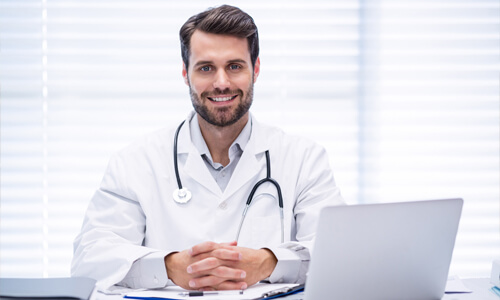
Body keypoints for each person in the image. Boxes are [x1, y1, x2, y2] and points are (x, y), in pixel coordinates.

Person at [71, 4, 344, 292]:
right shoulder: (135, 162)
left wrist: (270, 262)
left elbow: (340, 255)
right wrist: (169, 267)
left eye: (235, 66)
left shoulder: (304, 159)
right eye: (206, 68)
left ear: (257, 69)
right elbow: (89, 257)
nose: (221, 83)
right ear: (185, 74)